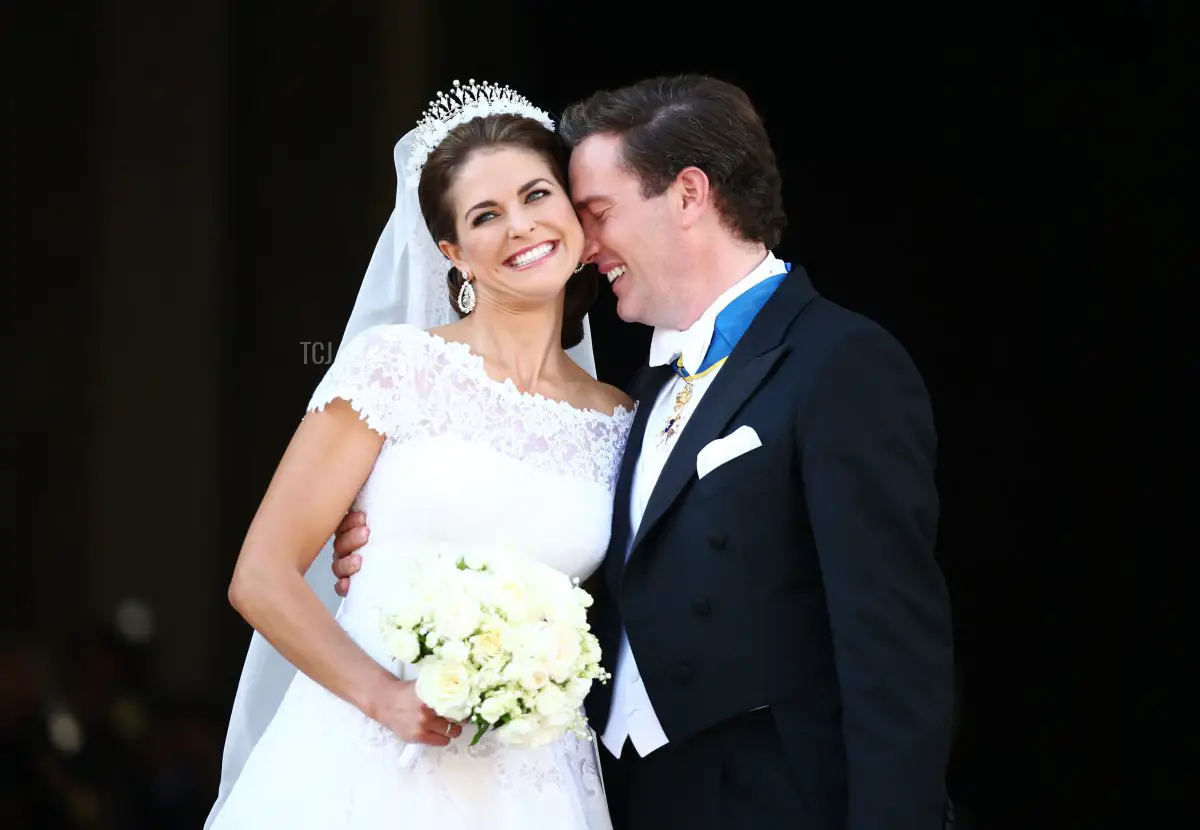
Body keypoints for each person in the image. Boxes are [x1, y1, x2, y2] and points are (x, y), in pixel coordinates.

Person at [332, 74, 956, 830]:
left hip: (773, 803)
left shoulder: (839, 364)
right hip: (617, 798)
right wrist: (400, 536)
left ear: (688, 196)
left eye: (597, 213)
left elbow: (891, 653)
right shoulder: (634, 397)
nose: (584, 247)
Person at [203, 82, 633, 829]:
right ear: (451, 254)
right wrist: (386, 698)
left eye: (538, 195)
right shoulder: (396, 367)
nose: (521, 227)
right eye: (485, 216)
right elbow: (261, 576)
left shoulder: (622, 420)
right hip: (364, 758)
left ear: (576, 213)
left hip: (533, 783)